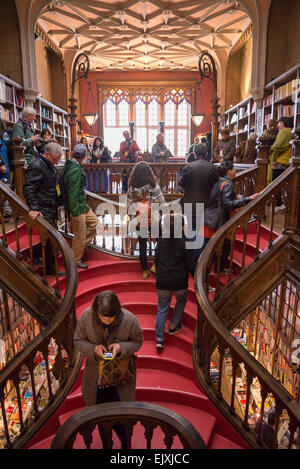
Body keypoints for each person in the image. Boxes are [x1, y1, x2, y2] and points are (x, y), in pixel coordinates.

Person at [73, 290, 143, 448]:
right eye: (102, 318)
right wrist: (93, 349)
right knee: (101, 418)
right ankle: (107, 444)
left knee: (123, 420)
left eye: (110, 318)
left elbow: (138, 342)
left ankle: (126, 445)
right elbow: (78, 340)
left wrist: (121, 347)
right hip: (96, 380)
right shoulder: (86, 317)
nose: (106, 322)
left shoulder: (130, 320)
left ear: (117, 312)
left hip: (120, 380)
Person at [202, 160, 259, 270]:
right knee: (226, 245)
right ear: (228, 171)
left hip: (208, 219)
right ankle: (219, 269)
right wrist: (247, 199)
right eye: (233, 169)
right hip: (219, 221)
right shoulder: (227, 184)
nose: (235, 171)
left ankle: (208, 271)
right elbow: (227, 204)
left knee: (209, 248)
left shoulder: (215, 181)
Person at [22, 141, 66, 276]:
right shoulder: (36, 166)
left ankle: (33, 254)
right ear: (47, 154)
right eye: (54, 160)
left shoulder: (48, 165)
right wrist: (34, 207)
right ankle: (50, 269)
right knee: (51, 240)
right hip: (43, 208)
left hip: (51, 206)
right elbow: (28, 188)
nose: (55, 163)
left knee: (48, 238)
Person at [154, 212, 196, 350]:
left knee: (162, 308)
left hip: (163, 281)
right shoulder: (185, 242)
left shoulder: (161, 240)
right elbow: (190, 264)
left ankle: (159, 339)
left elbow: (157, 260)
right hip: (179, 281)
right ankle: (173, 325)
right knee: (181, 300)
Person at [61, 143, 99, 270]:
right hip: (77, 207)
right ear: (84, 156)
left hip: (81, 205)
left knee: (95, 223)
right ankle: (75, 260)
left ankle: (80, 247)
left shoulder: (72, 165)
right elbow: (72, 193)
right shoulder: (75, 170)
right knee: (80, 235)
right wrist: (75, 212)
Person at [127, 161, 165, 280]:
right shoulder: (153, 185)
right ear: (149, 172)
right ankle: (155, 265)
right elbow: (162, 203)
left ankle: (144, 270)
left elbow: (129, 206)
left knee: (142, 244)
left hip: (139, 219)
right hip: (153, 217)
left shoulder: (132, 187)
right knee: (161, 242)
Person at [179, 143, 219, 249]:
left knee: (190, 231)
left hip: (190, 204)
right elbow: (216, 185)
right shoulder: (212, 168)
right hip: (206, 204)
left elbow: (181, 183)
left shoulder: (189, 167)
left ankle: (191, 259)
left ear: (195, 154)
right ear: (206, 154)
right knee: (201, 232)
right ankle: (200, 259)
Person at [267, 116, 294, 211]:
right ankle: (279, 203)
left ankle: (278, 204)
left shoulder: (284, 132)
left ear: (283, 123)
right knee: (279, 184)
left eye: (279, 122)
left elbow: (277, 146)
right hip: (286, 160)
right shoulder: (290, 131)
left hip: (281, 161)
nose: (278, 125)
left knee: (275, 184)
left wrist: (267, 150)